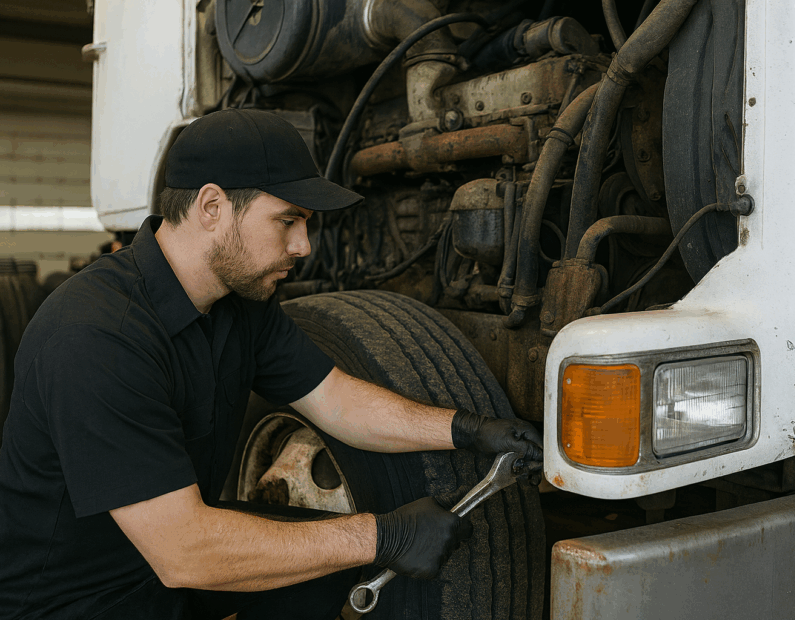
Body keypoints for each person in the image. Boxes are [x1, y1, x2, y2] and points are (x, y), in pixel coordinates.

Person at [0, 109, 543, 620]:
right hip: (74, 602)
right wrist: (383, 536)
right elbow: (184, 551)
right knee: (349, 548)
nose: (303, 245)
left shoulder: (240, 305)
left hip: (161, 579)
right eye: (288, 220)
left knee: (329, 568)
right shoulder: (97, 336)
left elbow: (336, 400)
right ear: (212, 207)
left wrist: (468, 430)